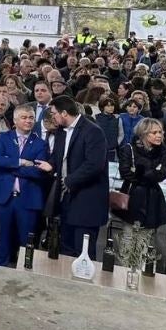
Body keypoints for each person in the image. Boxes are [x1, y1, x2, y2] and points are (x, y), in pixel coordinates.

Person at [0, 104, 54, 266]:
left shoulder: (41, 144)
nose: (28, 121)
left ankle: (25, 271)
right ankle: (0, 268)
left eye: (31, 118)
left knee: (27, 240)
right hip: (5, 197)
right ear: (15, 120)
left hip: (28, 198)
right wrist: (22, 162)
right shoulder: (4, 137)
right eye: (24, 117)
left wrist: (11, 168)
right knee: (4, 237)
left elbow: (38, 172)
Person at [49, 95, 108, 260]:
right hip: (66, 202)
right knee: (65, 251)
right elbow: (58, 157)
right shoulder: (60, 131)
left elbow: (94, 165)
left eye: (54, 113)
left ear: (65, 113)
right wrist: (50, 165)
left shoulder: (93, 131)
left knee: (83, 254)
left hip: (87, 203)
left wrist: (69, 180)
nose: (52, 117)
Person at [116, 119, 166, 234]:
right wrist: (153, 172)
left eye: (160, 132)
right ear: (143, 133)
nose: (159, 135)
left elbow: (164, 173)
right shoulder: (129, 148)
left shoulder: (163, 150)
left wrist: (140, 172)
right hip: (133, 195)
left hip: (153, 196)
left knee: (146, 238)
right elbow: (125, 172)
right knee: (128, 236)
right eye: (154, 133)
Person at [93, 95, 120, 162]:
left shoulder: (117, 118)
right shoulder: (95, 118)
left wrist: (116, 143)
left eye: (112, 105)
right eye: (108, 106)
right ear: (102, 107)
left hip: (112, 150)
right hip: (99, 149)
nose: (111, 108)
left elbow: (121, 134)